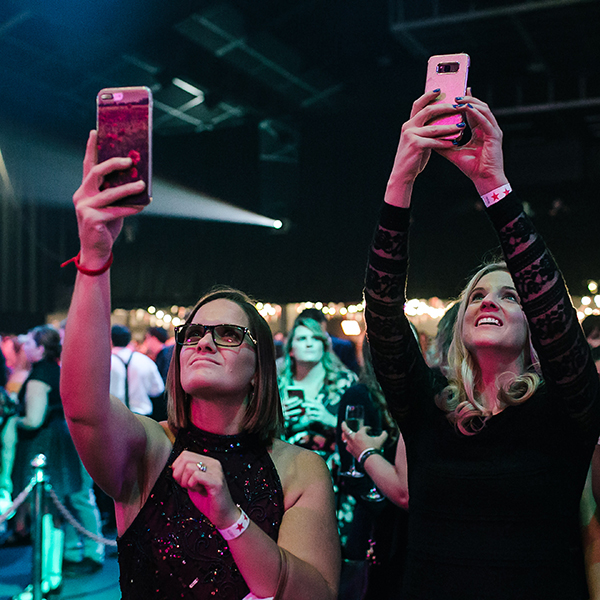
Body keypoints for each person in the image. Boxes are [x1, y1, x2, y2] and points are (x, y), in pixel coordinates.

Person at [59, 130, 340, 599]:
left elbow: (316, 594)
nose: (204, 342)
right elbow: (83, 408)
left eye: (229, 334)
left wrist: (231, 519)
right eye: (192, 333)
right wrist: (95, 255)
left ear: (259, 369)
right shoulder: (151, 449)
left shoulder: (300, 469)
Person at [363, 90, 600, 599]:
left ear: (536, 321)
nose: (488, 302)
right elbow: (383, 316)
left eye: (510, 296)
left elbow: (551, 301)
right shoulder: (430, 411)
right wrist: (400, 180)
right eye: (477, 296)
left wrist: (492, 184)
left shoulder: (566, 410)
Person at [278, 316, 357, 461]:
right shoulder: (277, 385)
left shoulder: (345, 382)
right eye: (302, 339)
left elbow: (362, 432)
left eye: (315, 338)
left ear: (324, 346)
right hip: (288, 469)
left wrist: (331, 420)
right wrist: (276, 419)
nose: (309, 344)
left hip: (336, 471)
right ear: (291, 350)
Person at [110, 324, 165, 417]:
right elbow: (157, 390)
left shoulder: (105, 362)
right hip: (143, 417)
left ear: (110, 340)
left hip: (115, 416)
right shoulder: (144, 360)